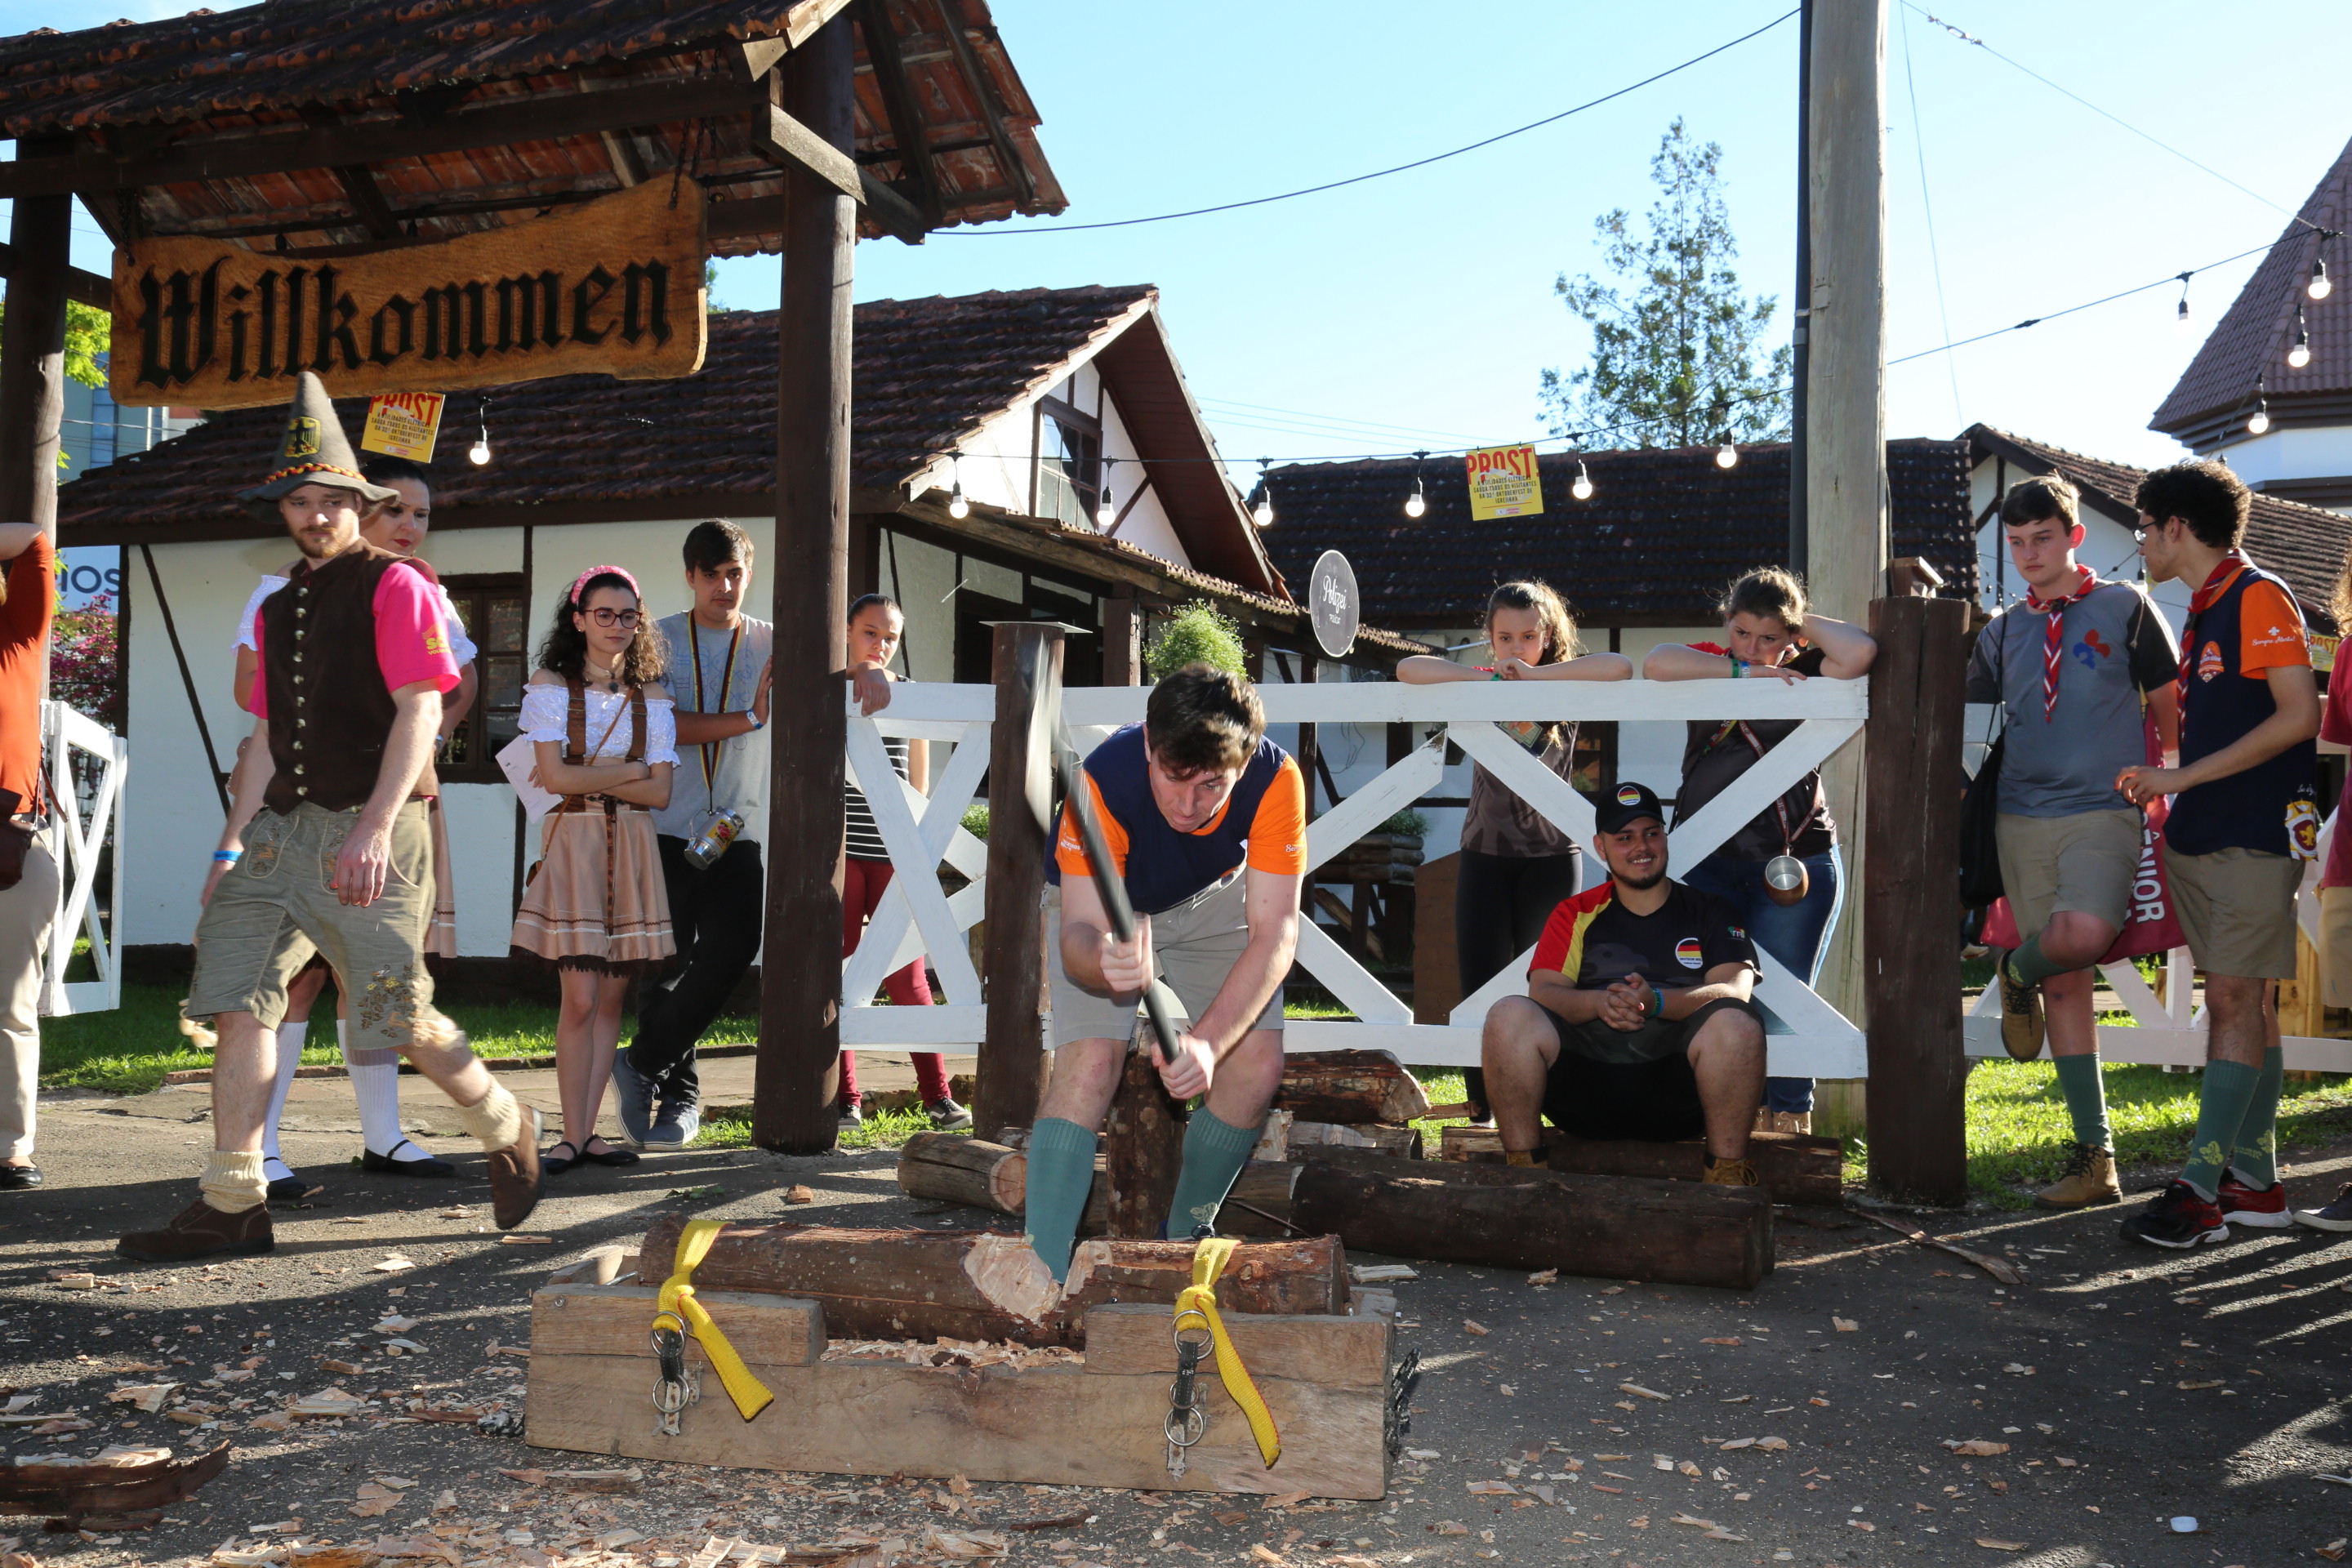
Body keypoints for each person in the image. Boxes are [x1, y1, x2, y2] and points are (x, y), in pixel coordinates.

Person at [118, 372, 541, 1262]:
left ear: (361, 503)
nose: (312, 515)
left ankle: (507, 1123)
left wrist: (376, 827)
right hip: (281, 833)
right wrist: (230, 846)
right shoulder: (276, 609)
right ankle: (234, 1200)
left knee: (393, 1014)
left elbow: (425, 710)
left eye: (328, 501)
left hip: (371, 824)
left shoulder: (398, 589)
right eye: (297, 502)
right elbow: (267, 737)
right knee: (239, 1001)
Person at [222, 454, 474, 1195]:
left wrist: (403, 741)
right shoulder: (279, 593)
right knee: (288, 978)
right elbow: (252, 692)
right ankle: (260, 1148)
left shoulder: (425, 591)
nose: (407, 525)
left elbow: (447, 691)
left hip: (393, 802)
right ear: (352, 511)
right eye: (393, 509)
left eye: (421, 514)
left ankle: (384, 1136)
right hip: (305, 799)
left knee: (375, 976)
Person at [1025, 664, 1305, 1279]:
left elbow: (1277, 932)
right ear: (1150, 745)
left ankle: (1182, 1242)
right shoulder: (1101, 781)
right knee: (1091, 1062)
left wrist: (1206, 1045)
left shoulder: (1278, 778)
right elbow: (1076, 931)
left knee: (1255, 1065)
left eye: (1211, 787)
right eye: (1174, 779)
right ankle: (1036, 1277)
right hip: (1104, 905)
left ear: (1245, 761)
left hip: (1215, 898)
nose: (1187, 804)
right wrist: (1104, 961)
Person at [2115, 461, 2319, 1248]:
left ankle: (2200, 1187)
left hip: (2254, 833)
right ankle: (2257, 1187)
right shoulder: (2205, 609)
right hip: (2208, 835)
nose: (2139, 541)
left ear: (2175, 527)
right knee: (2249, 1006)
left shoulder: (2259, 595)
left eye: (2143, 525)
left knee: (2235, 1003)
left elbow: (2300, 714)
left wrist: (2182, 774)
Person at [1961, 478, 2180, 1210]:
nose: (2029, 554)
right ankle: (2095, 1160)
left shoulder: (2127, 607)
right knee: (2068, 982)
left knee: (2082, 936)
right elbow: (1947, 697)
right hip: (2019, 816)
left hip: (2105, 808)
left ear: (2075, 535)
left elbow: (2168, 702)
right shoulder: (1999, 631)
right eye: (2016, 543)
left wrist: (2173, 777)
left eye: (2043, 538)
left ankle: (2015, 969)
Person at [1644, 568, 1876, 1137]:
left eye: (1769, 637)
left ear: (1792, 636)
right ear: (1728, 625)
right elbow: (1655, 662)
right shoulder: (1714, 661)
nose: (1754, 646)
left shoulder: (1804, 668)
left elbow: (1860, 652)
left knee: (1786, 997)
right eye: (1742, 632)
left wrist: (1798, 626)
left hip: (1795, 859)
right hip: (1708, 857)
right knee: (1708, 992)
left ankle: (1790, 1122)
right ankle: (1723, 1120)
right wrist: (1741, 668)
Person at [1396, 580, 1631, 1122]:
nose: (1516, 647)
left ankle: (1545, 1096)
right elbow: (1410, 669)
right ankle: (1482, 1102)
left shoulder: (1565, 684)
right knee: (1478, 982)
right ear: (1491, 637)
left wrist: (1537, 676)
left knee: (1545, 983)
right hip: (1485, 854)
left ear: (1548, 636)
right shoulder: (1482, 681)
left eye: (1529, 637)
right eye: (1505, 637)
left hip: (1552, 856)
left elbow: (1618, 667)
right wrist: (1484, 675)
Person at [1478, 781, 1766, 1184]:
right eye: (1624, 837)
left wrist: (1659, 1002)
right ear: (1601, 847)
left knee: (1738, 1022)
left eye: (1651, 833)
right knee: (1508, 1013)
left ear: (1665, 838)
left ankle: (1727, 1178)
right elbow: (1542, 991)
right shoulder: (1573, 911)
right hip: (1588, 1091)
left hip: (1681, 1097)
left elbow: (1735, 989)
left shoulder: (1711, 910)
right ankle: (1525, 1176)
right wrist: (1598, 1004)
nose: (1641, 847)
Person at [510, 566, 675, 1175]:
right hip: (576, 841)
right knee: (578, 997)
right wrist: (631, 772)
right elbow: (555, 779)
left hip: (631, 845)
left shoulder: (652, 695)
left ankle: (592, 1134)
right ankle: (569, 1133)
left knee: (611, 1002)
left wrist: (610, 779)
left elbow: (661, 796)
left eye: (628, 615)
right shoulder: (551, 684)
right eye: (604, 614)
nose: (617, 626)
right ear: (578, 618)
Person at [613, 520, 772, 1148]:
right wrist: (752, 718)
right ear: (690, 577)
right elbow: (662, 725)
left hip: (741, 828)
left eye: (735, 574)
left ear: (748, 574)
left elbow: (847, 663)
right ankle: (679, 1101)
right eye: (712, 575)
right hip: (667, 826)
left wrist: (874, 675)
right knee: (665, 967)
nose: (725, 587)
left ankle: (642, 1064)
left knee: (732, 952)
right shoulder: (657, 640)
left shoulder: (770, 642)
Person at [839, 592, 971, 1130]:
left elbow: (919, 780)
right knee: (840, 970)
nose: (881, 644)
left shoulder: (912, 694)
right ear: (849, 631)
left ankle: (937, 1096)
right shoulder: (834, 686)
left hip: (894, 856)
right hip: (843, 856)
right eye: (871, 632)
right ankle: (844, 1097)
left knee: (907, 978)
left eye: (891, 636)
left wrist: (917, 851)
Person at [0, 521, 57, 1192]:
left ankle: (10, 1147)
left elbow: (35, 541)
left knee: (11, 1005)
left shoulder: (15, 639)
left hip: (10, 843)